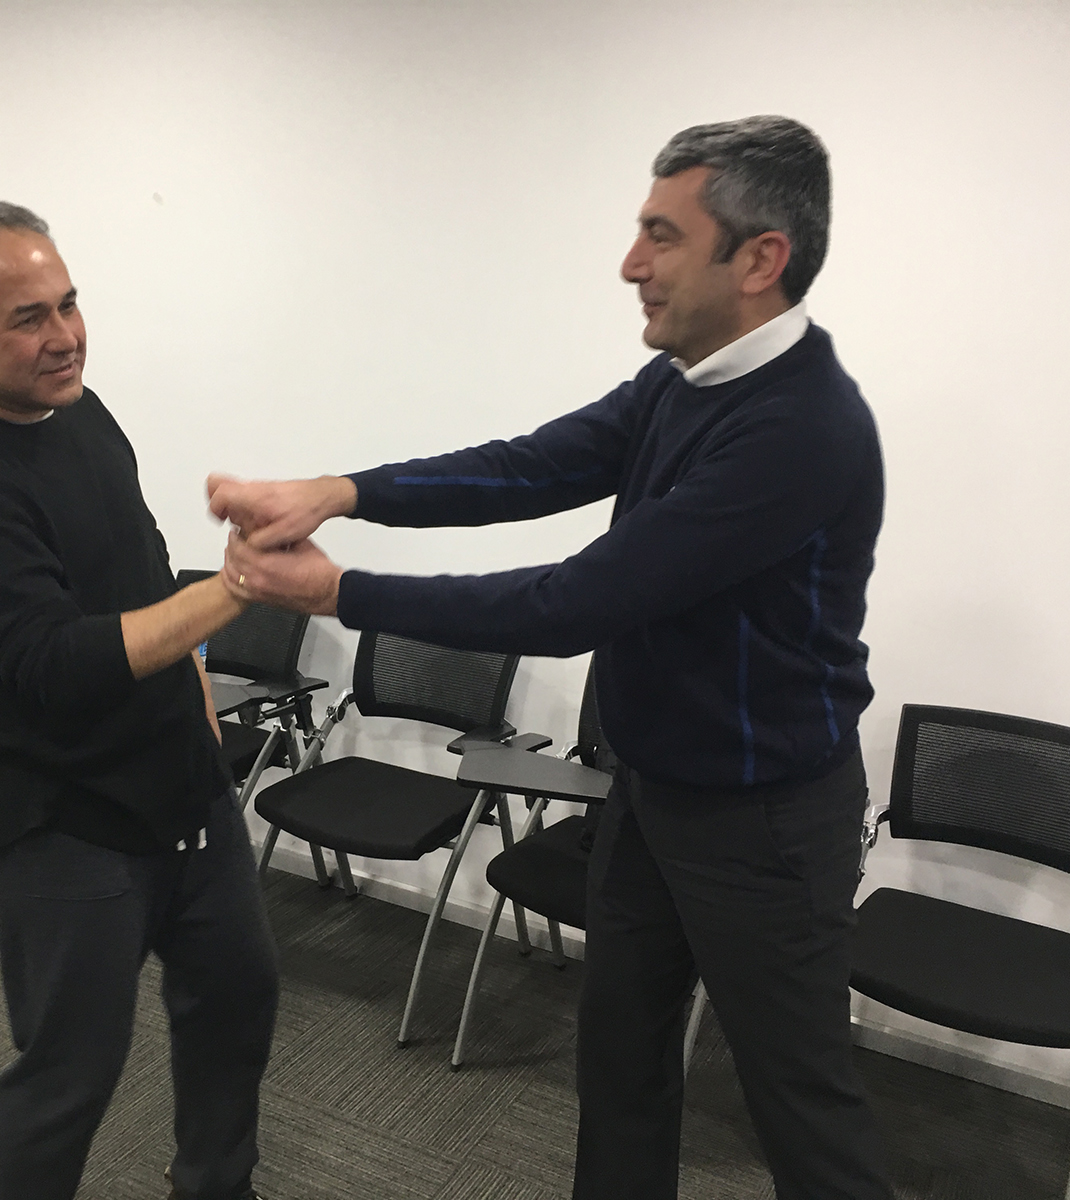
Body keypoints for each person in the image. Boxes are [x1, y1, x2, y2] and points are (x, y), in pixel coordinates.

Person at [211, 116, 893, 1200]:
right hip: (654, 790)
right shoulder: (685, 379)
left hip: (763, 822)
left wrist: (339, 591)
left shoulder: (801, 429)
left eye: (662, 236)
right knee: (620, 1061)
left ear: (760, 259)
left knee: (799, 1111)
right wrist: (341, 492)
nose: (630, 264)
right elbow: (529, 467)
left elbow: (577, 600)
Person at [0, 198, 278, 1200]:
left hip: (185, 788)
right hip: (65, 820)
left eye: (67, 303)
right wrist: (238, 587)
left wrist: (199, 704)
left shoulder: (79, 412)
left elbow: (143, 572)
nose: (64, 336)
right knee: (69, 1073)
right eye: (28, 318)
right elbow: (57, 660)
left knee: (236, 1007)